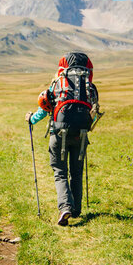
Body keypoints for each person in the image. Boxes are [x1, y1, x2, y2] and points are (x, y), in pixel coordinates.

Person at [25, 52, 99, 226]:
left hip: (58, 133)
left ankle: (65, 207)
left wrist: (31, 119)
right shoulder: (90, 87)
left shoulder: (58, 83)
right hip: (81, 135)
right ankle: (76, 209)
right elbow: (94, 115)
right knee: (76, 173)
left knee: (60, 172)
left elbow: (44, 108)